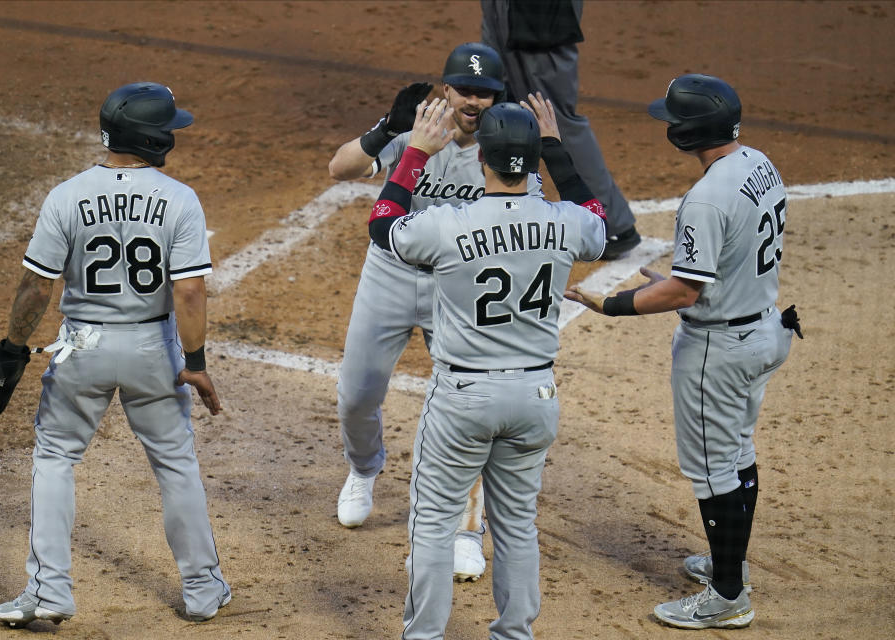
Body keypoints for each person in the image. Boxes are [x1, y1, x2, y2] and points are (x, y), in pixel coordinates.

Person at [0, 82, 231, 628]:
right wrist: (196, 363)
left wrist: (11, 346)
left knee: (55, 457)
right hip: (152, 348)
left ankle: (48, 590)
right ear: (154, 140)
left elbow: (35, 286)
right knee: (175, 464)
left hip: (82, 346)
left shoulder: (67, 195)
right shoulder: (180, 199)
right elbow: (189, 292)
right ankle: (201, 590)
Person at [567, 73, 802, 629]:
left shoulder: (706, 197)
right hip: (764, 329)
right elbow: (730, 255)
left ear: (689, 132)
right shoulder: (759, 164)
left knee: (712, 467)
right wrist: (671, 275)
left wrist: (615, 304)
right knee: (738, 452)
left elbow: (685, 292)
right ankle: (730, 564)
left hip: (717, 349)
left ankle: (727, 596)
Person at [367, 94, 606, 639]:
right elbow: (598, 220)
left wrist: (417, 154)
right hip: (536, 397)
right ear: (533, 160)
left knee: (433, 523)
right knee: (517, 525)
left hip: (463, 398)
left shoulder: (448, 224)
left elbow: (383, 227)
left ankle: (424, 636)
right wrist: (555, 151)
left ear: (482, 160)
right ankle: (514, 634)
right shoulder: (566, 222)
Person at [328, 42, 544, 582]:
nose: (474, 100)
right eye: (464, 89)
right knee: (357, 394)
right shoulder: (418, 130)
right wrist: (386, 131)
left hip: (459, 284)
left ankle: (466, 530)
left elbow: (523, 221)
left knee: (469, 401)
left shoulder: (507, 144)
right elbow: (340, 168)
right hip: (392, 273)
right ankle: (363, 469)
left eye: (485, 92)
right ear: (446, 89)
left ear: (498, 97)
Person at [481, 0, 641, 260]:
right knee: (493, 99)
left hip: (538, 15)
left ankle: (608, 221)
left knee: (551, 116)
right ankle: (495, 217)